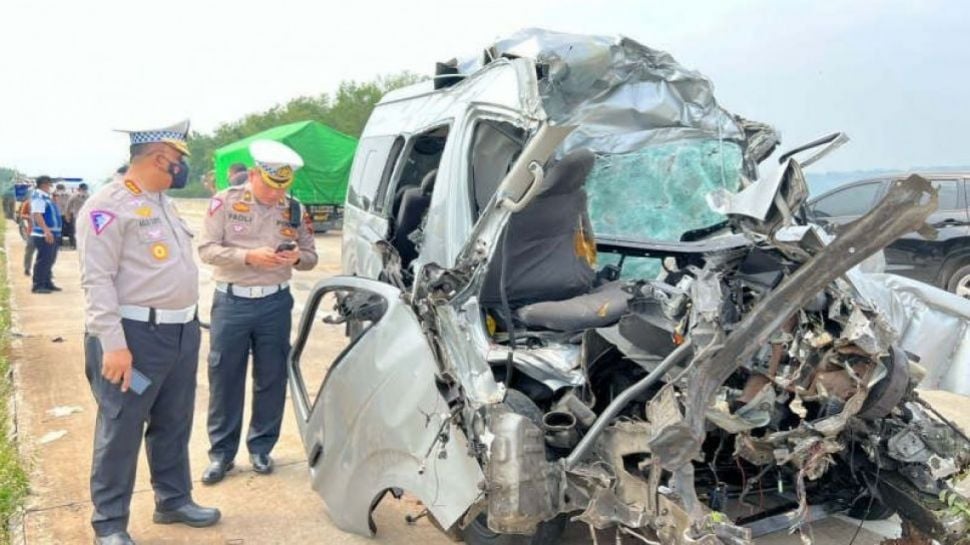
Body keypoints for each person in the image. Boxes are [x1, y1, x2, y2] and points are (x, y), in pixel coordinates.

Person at [78, 120, 220, 545]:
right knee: (121, 428)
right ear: (160, 158)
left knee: (174, 422)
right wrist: (114, 346)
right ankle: (109, 524)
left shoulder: (160, 202)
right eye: (178, 162)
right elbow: (97, 281)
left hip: (179, 335)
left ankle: (173, 500)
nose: (181, 170)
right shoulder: (107, 207)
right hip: (134, 342)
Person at [198, 140, 317, 484]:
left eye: (281, 188)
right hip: (232, 302)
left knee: (271, 377)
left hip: (275, 304)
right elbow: (206, 249)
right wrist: (248, 257)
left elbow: (311, 257)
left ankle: (261, 447)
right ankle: (221, 454)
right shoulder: (225, 202)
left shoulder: (294, 209)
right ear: (252, 174)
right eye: (267, 185)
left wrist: (296, 258)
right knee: (225, 379)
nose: (273, 195)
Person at [30, 176, 62, 293]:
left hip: (52, 233)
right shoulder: (38, 197)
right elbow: (37, 214)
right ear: (44, 184)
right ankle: (38, 285)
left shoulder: (46, 198)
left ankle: (47, 282)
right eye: (50, 185)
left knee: (50, 260)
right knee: (44, 260)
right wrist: (46, 231)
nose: (51, 187)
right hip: (43, 235)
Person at [64, 183, 90, 248]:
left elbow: (68, 207)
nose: (84, 190)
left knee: (78, 231)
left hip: (80, 216)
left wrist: (67, 215)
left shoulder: (75, 196)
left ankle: (76, 244)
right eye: (84, 189)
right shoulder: (89, 196)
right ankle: (77, 244)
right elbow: (68, 206)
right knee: (78, 231)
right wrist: (67, 215)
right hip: (81, 216)